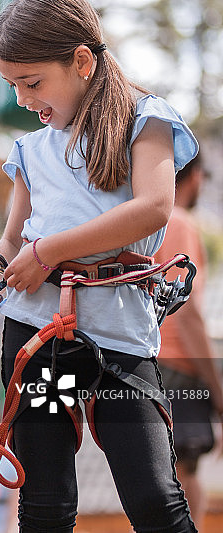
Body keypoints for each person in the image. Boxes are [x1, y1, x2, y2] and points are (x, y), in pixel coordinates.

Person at [0, 0, 199, 531]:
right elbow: (12, 241)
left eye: (31, 82)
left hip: (120, 341)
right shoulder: (29, 151)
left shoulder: (148, 121)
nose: (21, 98)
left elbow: (153, 207)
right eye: (12, 84)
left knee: (153, 497)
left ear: (82, 62)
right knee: (46, 502)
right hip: (39, 337)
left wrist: (50, 251)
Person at [153, 151, 223, 532]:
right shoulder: (179, 222)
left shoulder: (138, 219)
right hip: (177, 367)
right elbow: (191, 315)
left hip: (141, 361)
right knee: (184, 475)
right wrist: (216, 386)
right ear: (193, 176)